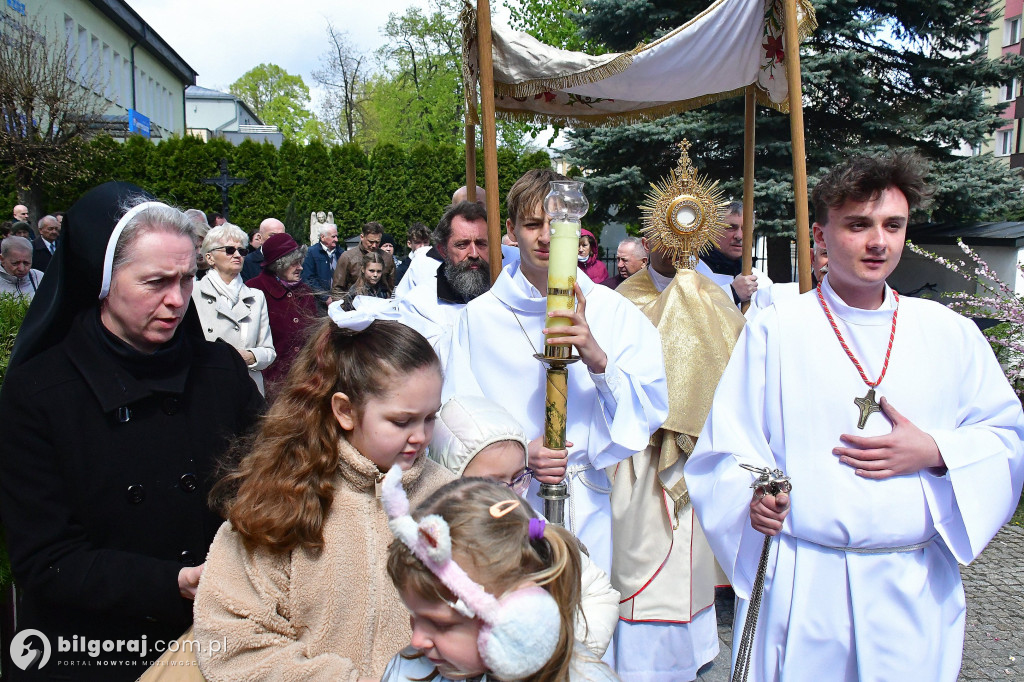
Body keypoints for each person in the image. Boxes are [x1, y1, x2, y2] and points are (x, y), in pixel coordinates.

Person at [684, 152, 1024, 681]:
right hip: (805, 580)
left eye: (893, 225)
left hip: (913, 585)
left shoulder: (949, 333)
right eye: (858, 225)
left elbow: (1006, 438)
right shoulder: (778, 329)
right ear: (821, 236)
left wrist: (936, 452)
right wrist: (755, 496)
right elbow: (729, 445)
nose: (878, 242)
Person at [0, 183, 264, 679]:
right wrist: (172, 581)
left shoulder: (220, 369)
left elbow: (267, 477)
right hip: (92, 649)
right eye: (155, 282)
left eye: (187, 279)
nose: (177, 300)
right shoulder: (39, 392)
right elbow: (44, 557)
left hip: (219, 635)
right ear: (102, 280)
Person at [193, 313, 454, 680]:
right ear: (346, 411)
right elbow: (233, 638)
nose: (421, 436)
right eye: (401, 421)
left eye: (430, 418)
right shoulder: (280, 498)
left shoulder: (452, 500)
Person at [443, 169, 668, 577]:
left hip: (587, 500)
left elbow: (649, 408)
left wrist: (598, 359)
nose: (546, 237)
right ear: (511, 231)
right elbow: (453, 416)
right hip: (509, 503)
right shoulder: (478, 319)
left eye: (558, 225)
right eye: (532, 224)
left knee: (584, 623)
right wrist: (516, 454)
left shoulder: (612, 310)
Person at [612, 235, 746, 681]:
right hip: (638, 453)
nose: (679, 246)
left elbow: (732, 364)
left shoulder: (713, 296)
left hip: (697, 456)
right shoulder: (623, 297)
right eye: (669, 237)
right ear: (650, 240)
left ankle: (693, 657)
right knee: (639, 558)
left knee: (690, 563)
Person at [430, 395, 620, 659]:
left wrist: (567, 657)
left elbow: (597, 591)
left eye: (518, 478)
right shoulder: (433, 549)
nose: (510, 496)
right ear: (451, 481)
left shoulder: (532, 530)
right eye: (494, 484)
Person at [380, 474, 619, 682]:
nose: (417, 639)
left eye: (441, 625)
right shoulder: (408, 671)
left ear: (518, 617)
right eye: (416, 617)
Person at [192, 224, 276, 396]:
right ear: (210, 258)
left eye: (242, 251)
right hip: (208, 389)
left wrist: (249, 356)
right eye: (229, 250)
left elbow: (268, 351)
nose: (237, 255)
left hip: (249, 391)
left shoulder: (256, 296)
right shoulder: (194, 293)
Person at [397, 201, 490, 356]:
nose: (474, 253)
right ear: (443, 250)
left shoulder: (505, 292)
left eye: (481, 244)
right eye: (462, 245)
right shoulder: (418, 304)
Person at [244, 232, 317, 400]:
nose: (300, 267)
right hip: (269, 382)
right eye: (294, 263)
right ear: (278, 264)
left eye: (300, 262)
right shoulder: (254, 290)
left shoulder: (304, 290)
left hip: (303, 380)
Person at [696, 201, 773, 313]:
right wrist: (732, 293)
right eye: (731, 227)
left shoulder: (762, 282)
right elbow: (688, 316)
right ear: (713, 231)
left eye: (745, 228)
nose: (739, 236)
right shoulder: (691, 272)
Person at [747, 241, 828, 314]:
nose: (833, 263)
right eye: (826, 253)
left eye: (840, 254)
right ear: (812, 258)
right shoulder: (773, 297)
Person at [334, 221, 396, 293]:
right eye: (371, 241)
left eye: (377, 242)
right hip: (352, 301)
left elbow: (390, 287)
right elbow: (337, 289)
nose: (374, 245)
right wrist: (345, 303)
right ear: (362, 237)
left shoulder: (387, 258)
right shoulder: (347, 257)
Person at [302, 222, 340, 310]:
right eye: (333, 237)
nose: (337, 240)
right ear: (323, 237)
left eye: (337, 236)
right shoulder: (311, 253)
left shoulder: (340, 253)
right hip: (318, 304)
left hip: (338, 301)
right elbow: (308, 278)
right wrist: (325, 297)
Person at [0, 236, 44, 300]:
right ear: (2, 259)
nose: (22, 269)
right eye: (15, 263)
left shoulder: (39, 277)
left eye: (26, 263)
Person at [395, 223, 434, 290]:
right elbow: (397, 296)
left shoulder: (435, 264)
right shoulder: (402, 269)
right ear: (409, 244)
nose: (422, 246)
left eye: (425, 242)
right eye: (418, 242)